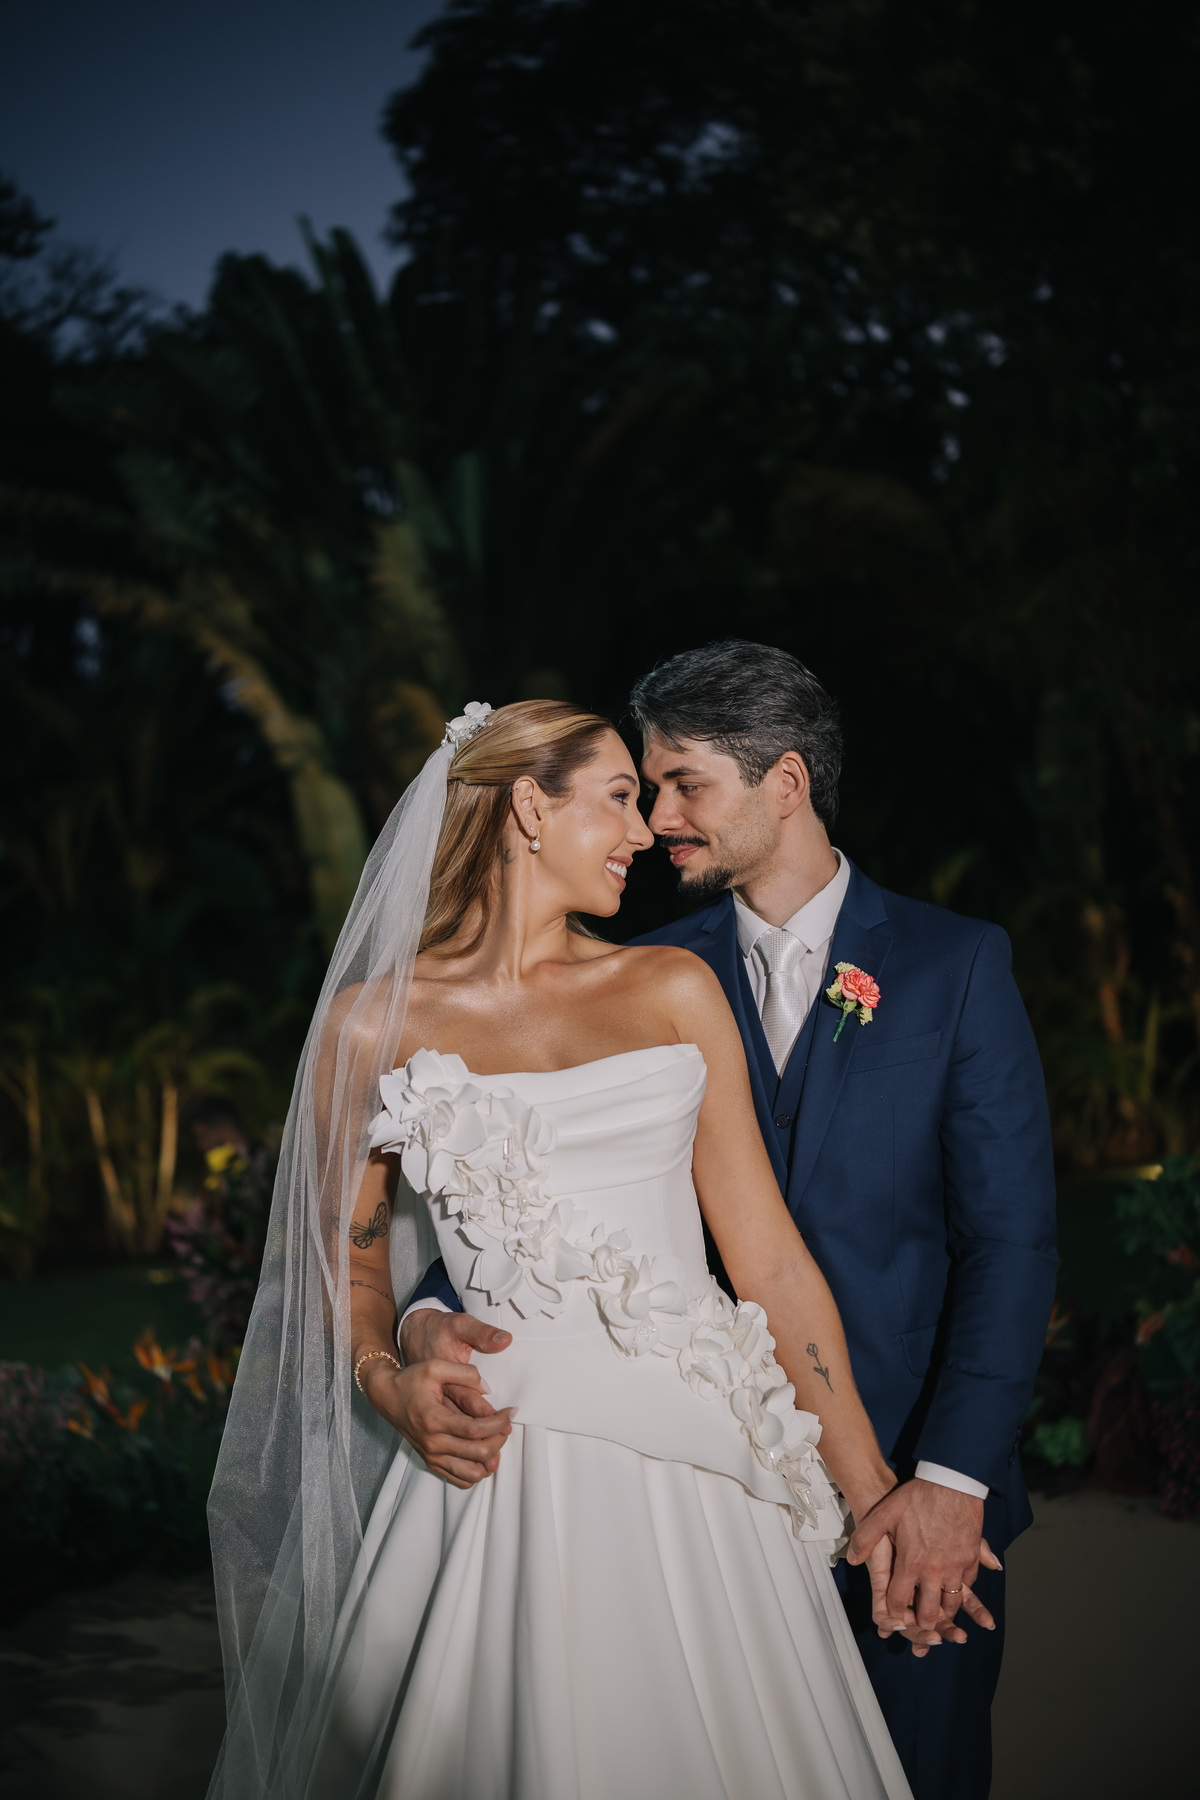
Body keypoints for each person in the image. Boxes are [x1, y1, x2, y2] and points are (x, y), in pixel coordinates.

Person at [208, 697, 923, 1800]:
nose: (646, 832)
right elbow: (345, 1262)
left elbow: (770, 1261)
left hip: (696, 1475)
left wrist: (871, 1487)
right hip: (495, 1466)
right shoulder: (368, 1027)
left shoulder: (672, 989)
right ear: (529, 809)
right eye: (622, 798)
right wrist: (389, 1381)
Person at [406, 648, 1057, 1800]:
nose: (657, 822)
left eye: (683, 785)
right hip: (711, 1483)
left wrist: (949, 1480)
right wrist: (422, 1315)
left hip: (915, 1484)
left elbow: (1011, 1246)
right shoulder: (643, 973)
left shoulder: (954, 966)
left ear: (786, 783)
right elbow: (535, 1192)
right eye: (644, 790)